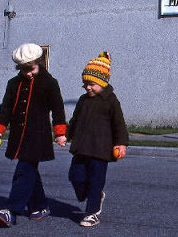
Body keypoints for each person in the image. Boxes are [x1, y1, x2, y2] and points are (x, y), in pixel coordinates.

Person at [0, 43, 67, 227]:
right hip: (19, 136)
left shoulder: (49, 83)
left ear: (38, 63)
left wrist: (60, 133)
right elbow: (5, 109)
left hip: (38, 137)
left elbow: (58, 109)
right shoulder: (13, 83)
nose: (28, 73)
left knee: (23, 171)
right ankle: (40, 206)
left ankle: (11, 211)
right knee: (30, 170)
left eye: (31, 69)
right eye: (24, 70)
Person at [67, 51, 129, 227]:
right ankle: (94, 196)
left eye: (92, 84)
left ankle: (92, 212)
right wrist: (65, 135)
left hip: (101, 150)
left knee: (96, 181)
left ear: (102, 82)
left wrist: (121, 143)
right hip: (81, 147)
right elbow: (74, 120)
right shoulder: (82, 100)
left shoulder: (111, 101)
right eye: (85, 83)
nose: (88, 87)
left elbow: (119, 123)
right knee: (75, 176)